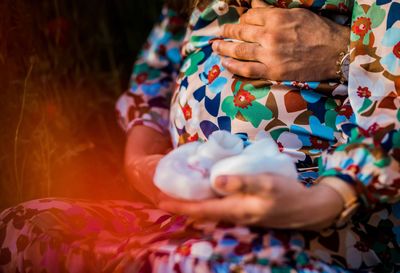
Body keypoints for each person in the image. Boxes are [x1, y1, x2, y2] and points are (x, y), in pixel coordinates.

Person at [1, 0, 399, 272]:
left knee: (205, 260)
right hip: (186, 214)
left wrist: (323, 200)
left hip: (332, 224)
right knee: (24, 226)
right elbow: (155, 73)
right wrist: (144, 165)